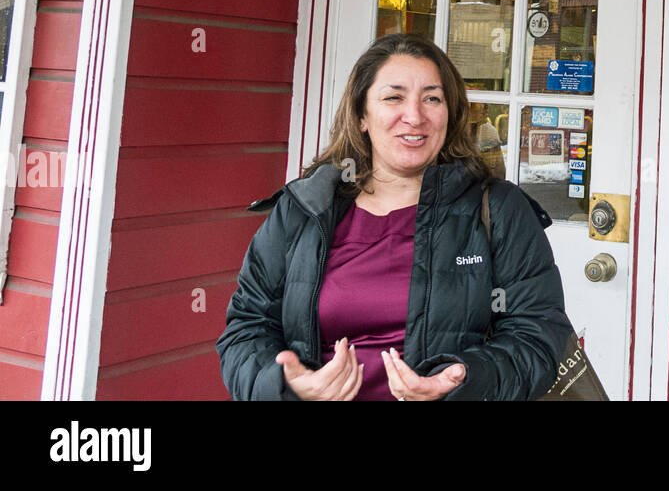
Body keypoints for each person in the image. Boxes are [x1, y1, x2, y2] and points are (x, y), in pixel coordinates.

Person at [216, 33, 573, 400]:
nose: (415, 116)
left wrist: (464, 380)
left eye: (432, 98)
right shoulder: (305, 209)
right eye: (393, 98)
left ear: (449, 115)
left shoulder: (497, 209)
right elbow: (247, 328)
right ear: (362, 117)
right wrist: (285, 385)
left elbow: (538, 336)